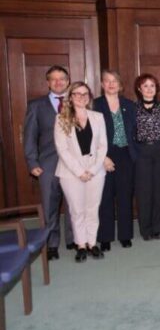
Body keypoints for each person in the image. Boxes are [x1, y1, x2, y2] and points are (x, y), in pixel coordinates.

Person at [23, 64, 75, 260]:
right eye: (54, 79)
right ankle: (51, 243)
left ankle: (73, 239)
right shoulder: (36, 106)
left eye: (62, 79)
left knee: (73, 201)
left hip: (74, 162)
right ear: (48, 83)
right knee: (49, 204)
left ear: (68, 81)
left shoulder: (77, 101)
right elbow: (29, 136)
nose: (58, 82)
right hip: (48, 162)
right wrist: (32, 162)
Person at [53, 82, 108, 262]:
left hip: (95, 170)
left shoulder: (98, 117)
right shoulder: (61, 119)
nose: (81, 97)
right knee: (77, 210)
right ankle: (81, 245)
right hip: (70, 171)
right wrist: (79, 172)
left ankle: (92, 243)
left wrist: (92, 169)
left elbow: (102, 146)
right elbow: (62, 149)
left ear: (89, 97)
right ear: (70, 97)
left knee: (92, 208)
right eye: (77, 94)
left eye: (85, 94)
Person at [93, 70, 137, 251]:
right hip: (104, 155)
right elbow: (91, 134)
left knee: (125, 195)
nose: (111, 84)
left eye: (114, 81)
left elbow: (135, 131)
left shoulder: (129, 105)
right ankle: (105, 237)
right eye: (107, 81)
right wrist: (102, 157)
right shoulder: (95, 105)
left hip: (126, 154)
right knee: (105, 196)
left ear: (120, 85)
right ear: (102, 84)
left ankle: (125, 235)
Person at [134, 73, 160, 241]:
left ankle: (159, 227)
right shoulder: (133, 108)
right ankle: (146, 229)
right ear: (139, 89)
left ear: (156, 89)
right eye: (145, 86)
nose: (149, 89)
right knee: (144, 191)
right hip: (142, 151)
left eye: (152, 86)